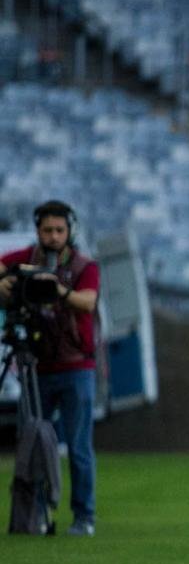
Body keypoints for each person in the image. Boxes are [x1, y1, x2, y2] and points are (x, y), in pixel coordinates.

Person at [0, 201, 100, 537]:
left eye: (60, 230)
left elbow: (88, 301)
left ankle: (84, 516)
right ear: (38, 232)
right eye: (47, 230)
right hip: (38, 364)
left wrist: (57, 288)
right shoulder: (27, 257)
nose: (54, 237)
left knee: (78, 446)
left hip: (76, 366)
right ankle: (35, 514)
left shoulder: (85, 265)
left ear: (70, 231)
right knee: (34, 443)